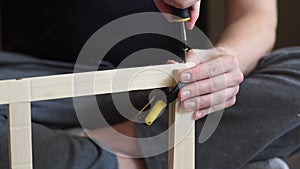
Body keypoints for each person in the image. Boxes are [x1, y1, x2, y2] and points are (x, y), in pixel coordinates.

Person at [0, 1, 299, 169]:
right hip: (41, 84)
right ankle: (161, 153)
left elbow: (256, 15)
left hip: (168, 89)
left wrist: (222, 62)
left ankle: (112, 154)